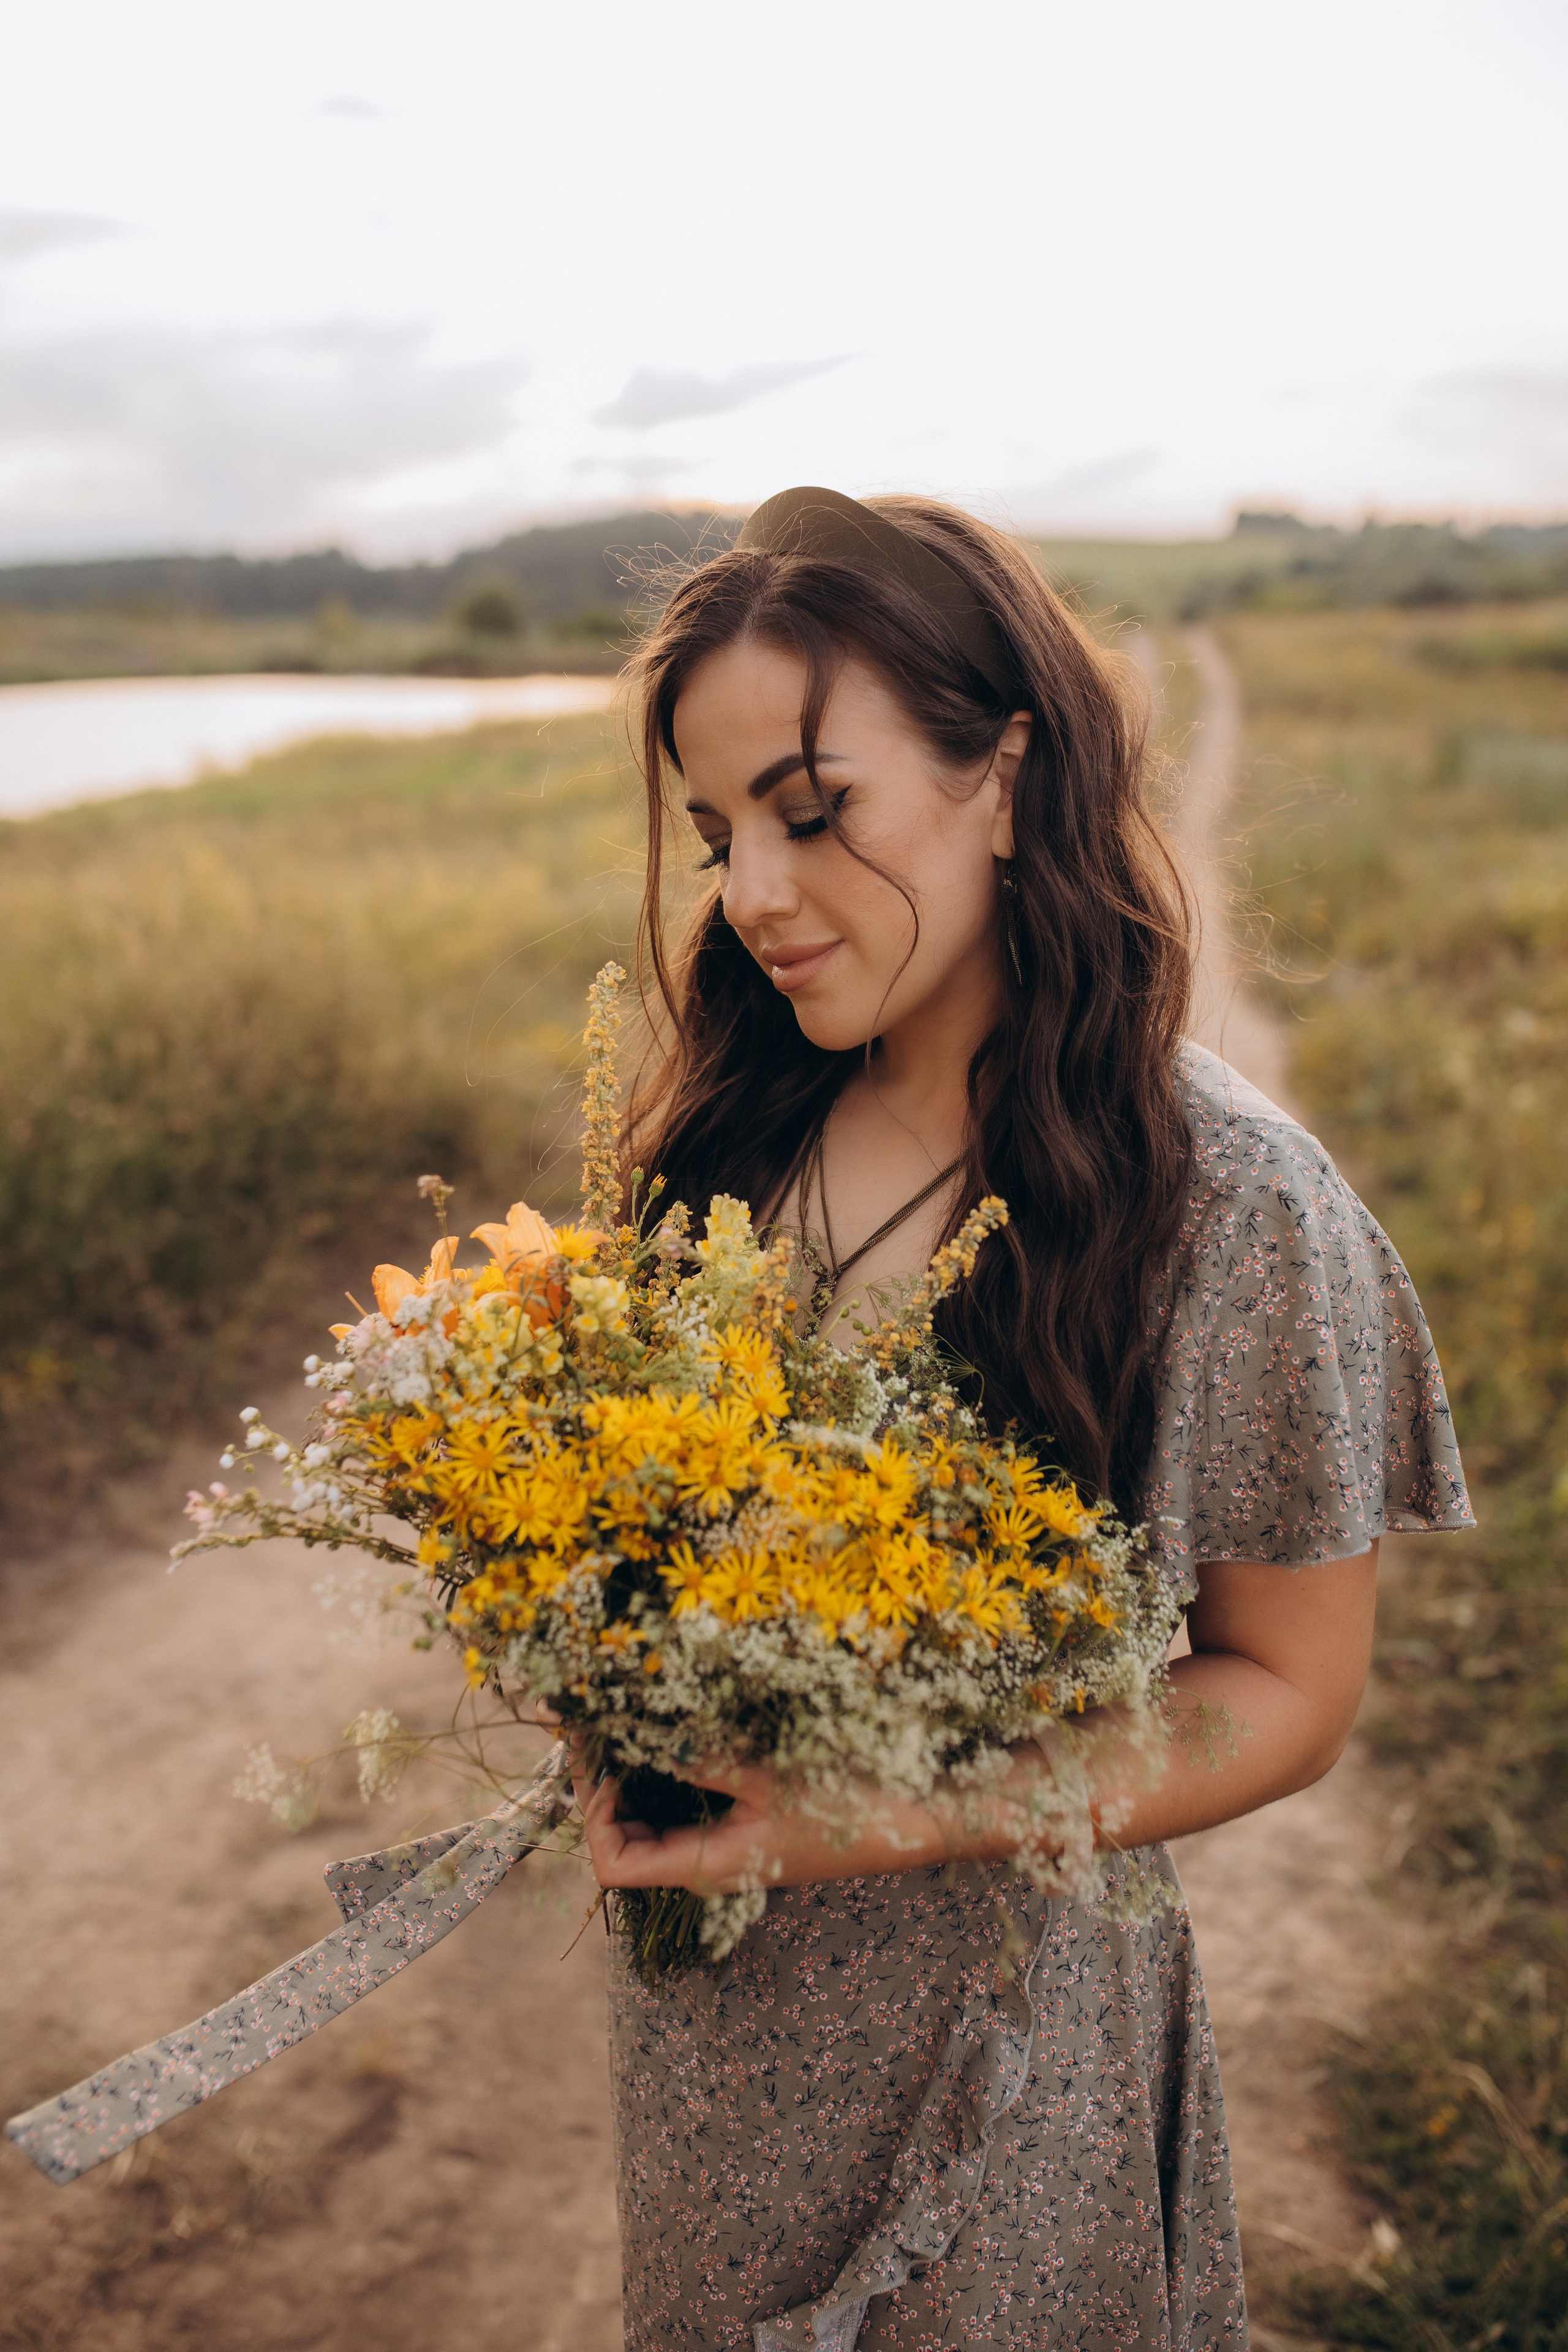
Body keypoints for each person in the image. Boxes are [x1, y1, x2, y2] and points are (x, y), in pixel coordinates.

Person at [573, 487, 1474, 2351]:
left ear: (1005, 770)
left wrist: (866, 1810)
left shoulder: (1227, 1202)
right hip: (705, 2053)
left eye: (818, 814)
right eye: (720, 829)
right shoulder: (716, 1144)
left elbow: (1290, 1690)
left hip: (1015, 2066)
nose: (751, 894)